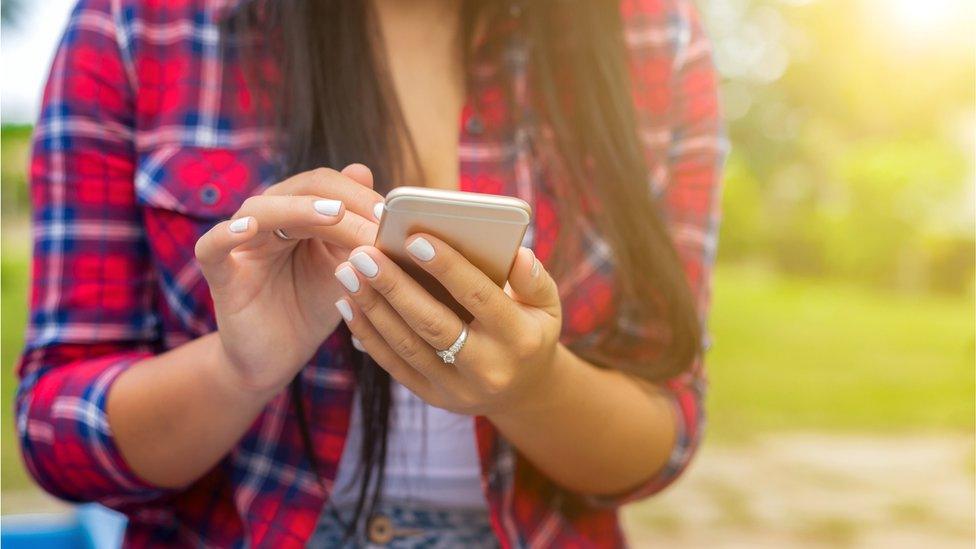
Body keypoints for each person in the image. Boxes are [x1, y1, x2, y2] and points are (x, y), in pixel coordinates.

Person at [16, 0, 725, 546]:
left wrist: (536, 387)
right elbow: (56, 428)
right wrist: (236, 369)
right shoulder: (137, 27)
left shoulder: (654, 36)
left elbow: (666, 426)